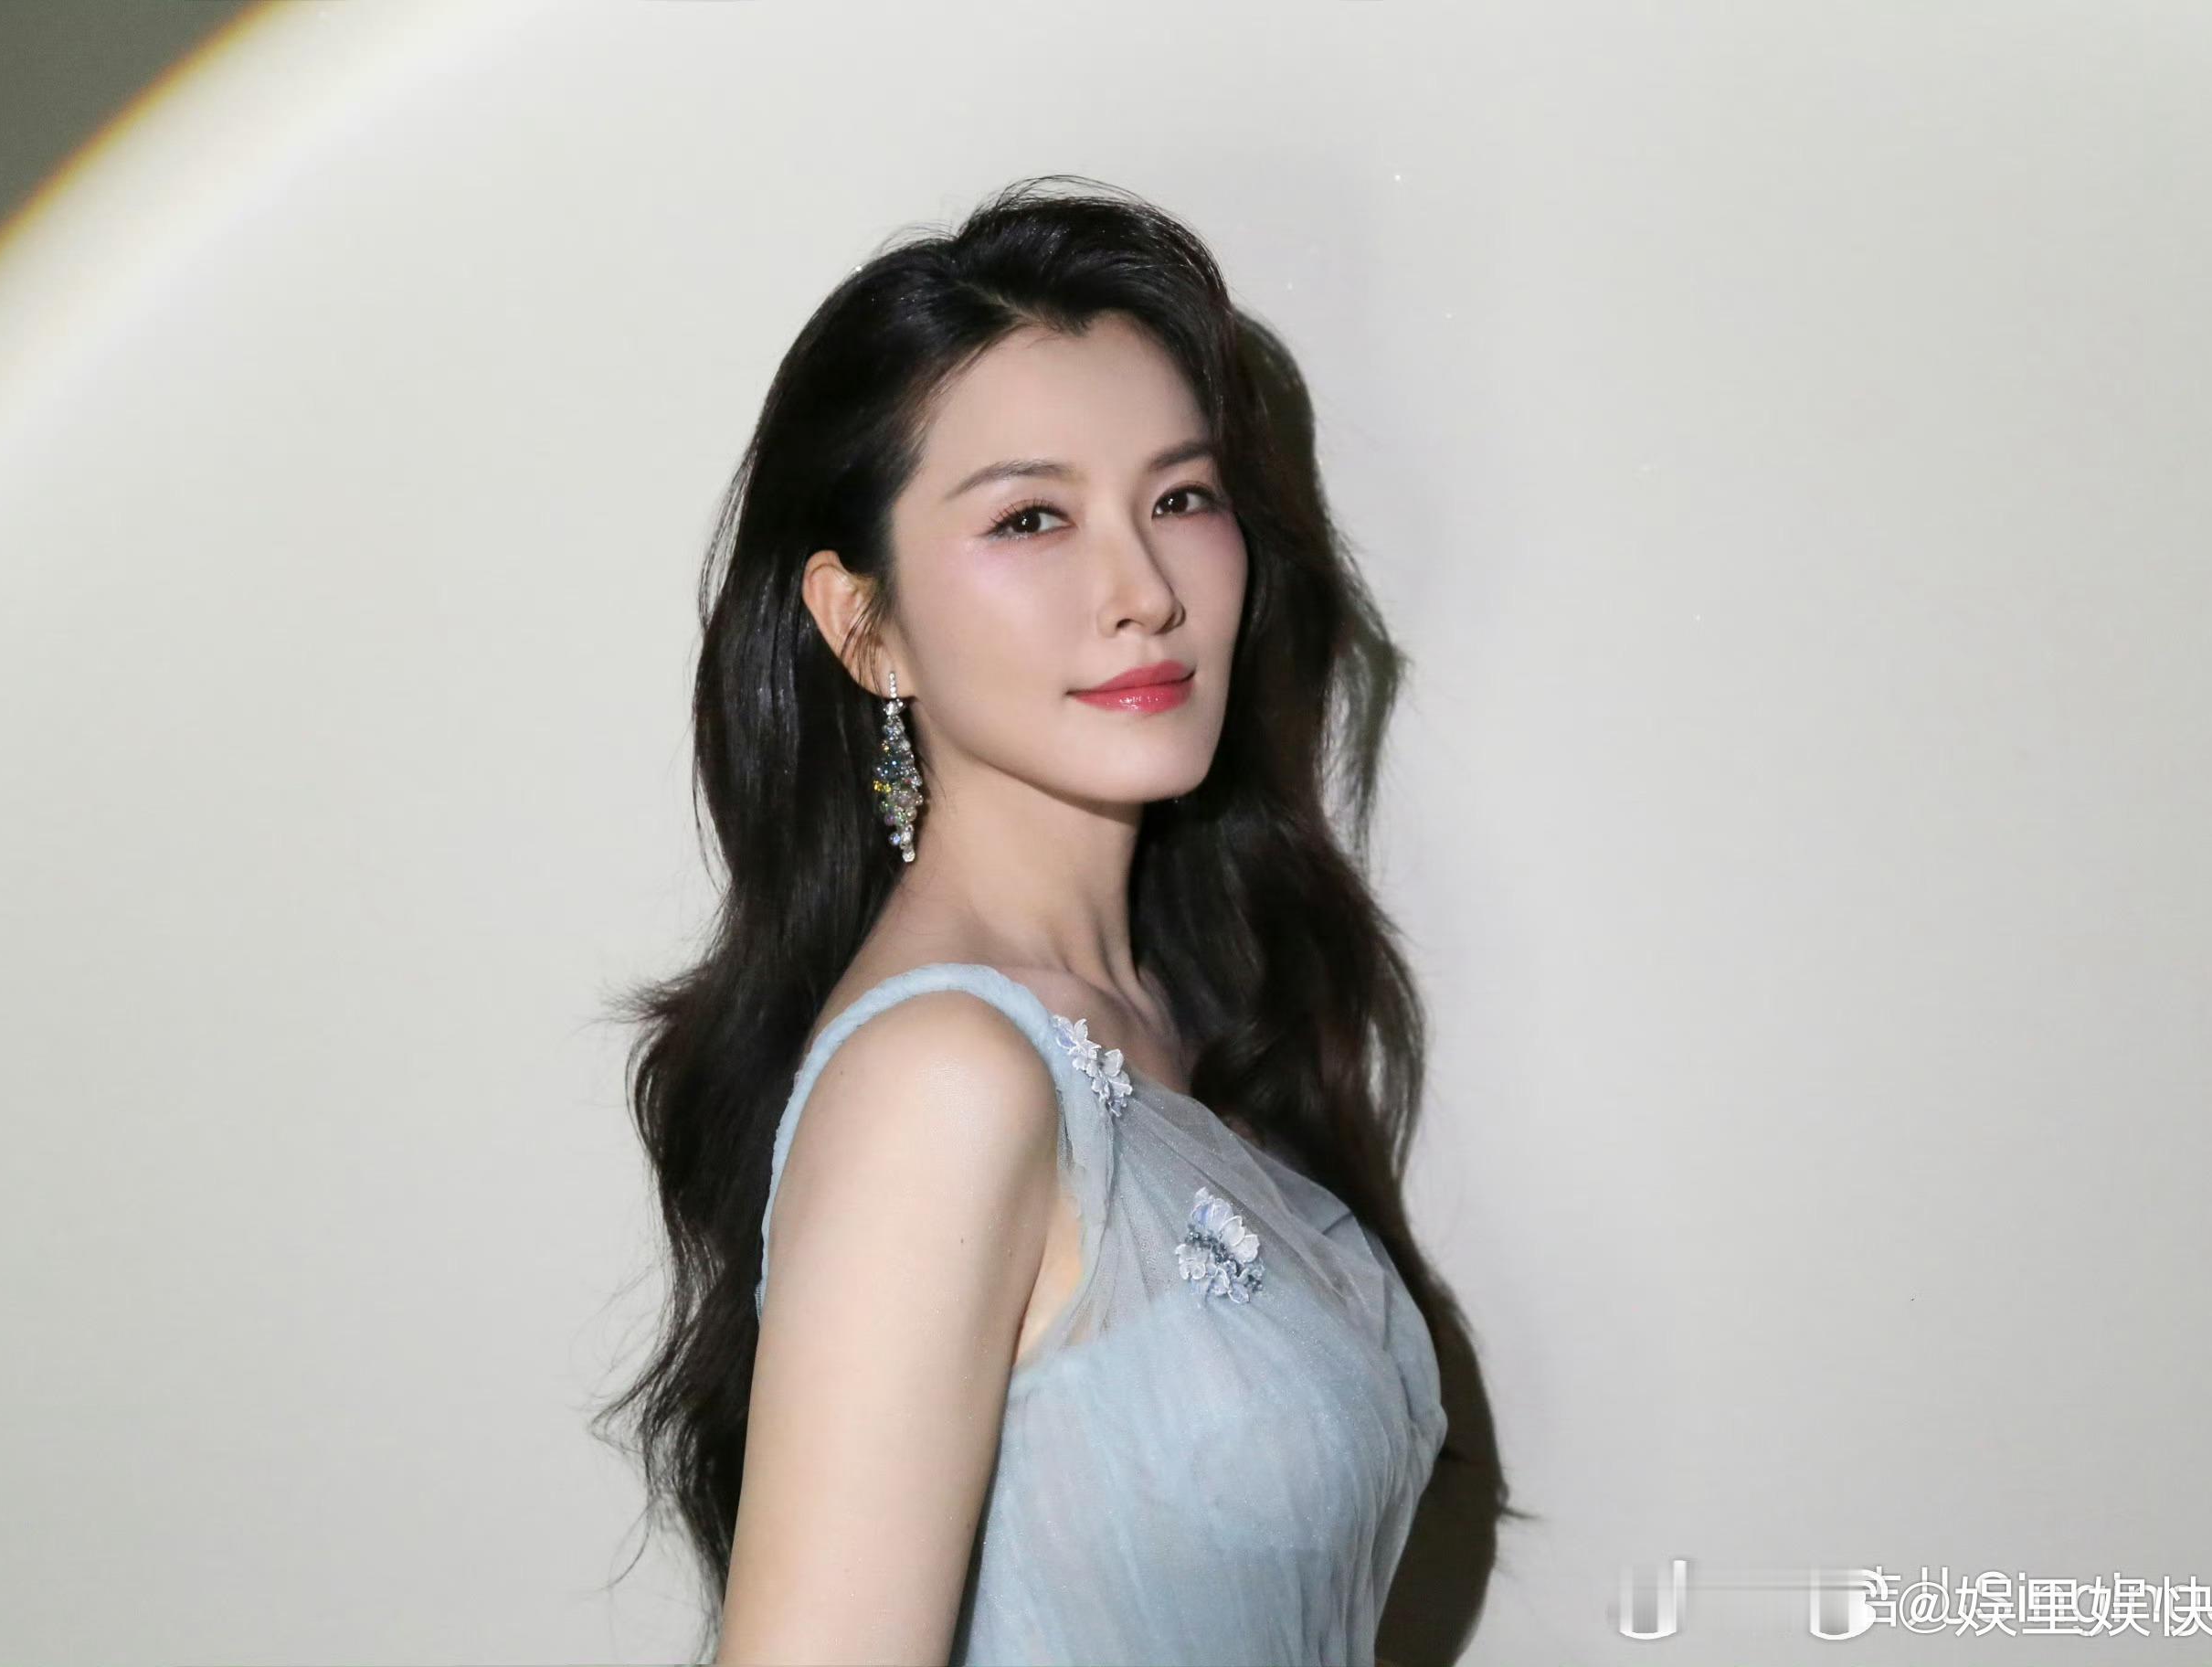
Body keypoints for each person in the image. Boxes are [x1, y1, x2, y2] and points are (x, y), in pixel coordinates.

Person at [591, 175, 1520, 1666]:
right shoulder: (944, 1080)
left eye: (1182, 498)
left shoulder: (1177, 1015)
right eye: (1031, 518)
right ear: (864, 627)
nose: (1143, 589)